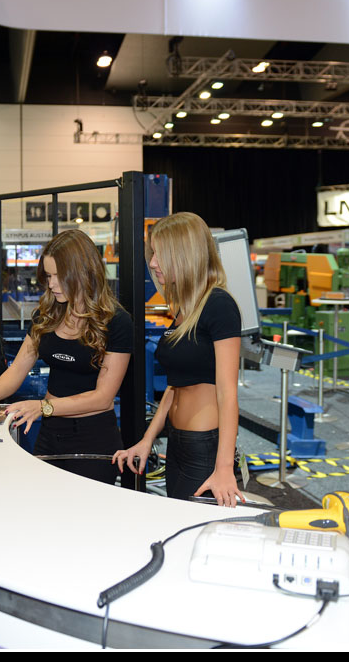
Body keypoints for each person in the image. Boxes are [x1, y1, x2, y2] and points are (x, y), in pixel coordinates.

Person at [0, 229, 132, 484]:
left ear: (83, 272)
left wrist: (44, 407)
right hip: (50, 433)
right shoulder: (47, 316)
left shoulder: (116, 322)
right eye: (48, 276)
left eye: (59, 276)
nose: (52, 284)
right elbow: (17, 370)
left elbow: (102, 398)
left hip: (93, 437)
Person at [113, 212, 244, 508]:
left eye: (161, 254)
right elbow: (175, 387)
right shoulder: (186, 309)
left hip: (206, 451)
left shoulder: (219, 305)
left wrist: (223, 467)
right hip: (179, 445)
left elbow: (228, 393)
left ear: (186, 255)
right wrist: (148, 439)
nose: (153, 263)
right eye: (153, 254)